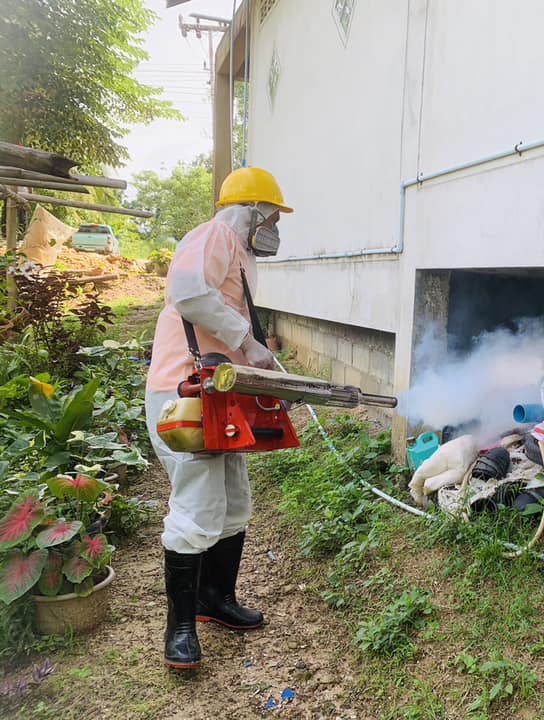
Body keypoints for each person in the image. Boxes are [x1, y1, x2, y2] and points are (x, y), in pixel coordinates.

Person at [144, 167, 293, 669]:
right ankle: (179, 629)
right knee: (199, 501)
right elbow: (188, 294)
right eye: (272, 216)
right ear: (251, 211)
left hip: (217, 391)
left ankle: (215, 600)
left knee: (233, 500)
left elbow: (228, 326)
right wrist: (247, 341)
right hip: (182, 391)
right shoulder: (215, 235)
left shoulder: (240, 255)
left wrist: (266, 373)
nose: (275, 226)